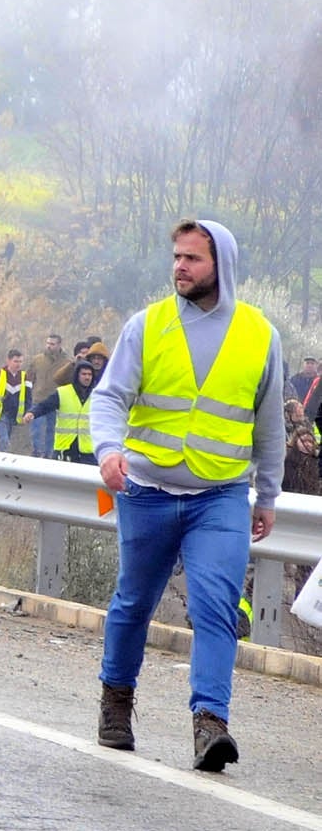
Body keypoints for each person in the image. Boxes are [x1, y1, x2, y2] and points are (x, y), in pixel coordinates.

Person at [89, 218, 284, 772]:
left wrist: (266, 496)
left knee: (215, 607)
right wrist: (107, 451)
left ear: (221, 264)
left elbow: (267, 428)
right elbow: (108, 399)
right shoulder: (146, 325)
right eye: (176, 256)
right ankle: (116, 703)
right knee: (134, 602)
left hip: (219, 497)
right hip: (145, 490)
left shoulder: (259, 334)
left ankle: (210, 723)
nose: (180, 267)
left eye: (193, 259)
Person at [32, 355, 102, 463]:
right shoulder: (63, 392)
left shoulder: (97, 396)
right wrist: (33, 413)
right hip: (65, 448)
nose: (87, 377)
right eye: (84, 374)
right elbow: (45, 406)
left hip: (88, 451)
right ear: (77, 375)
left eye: (89, 374)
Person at [31, 331, 72, 457]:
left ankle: (49, 455)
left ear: (59, 345)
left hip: (56, 401)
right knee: (36, 430)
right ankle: (37, 452)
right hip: (38, 400)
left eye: (53, 344)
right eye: (48, 343)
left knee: (52, 431)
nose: (49, 346)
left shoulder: (67, 362)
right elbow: (29, 378)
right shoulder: (37, 360)